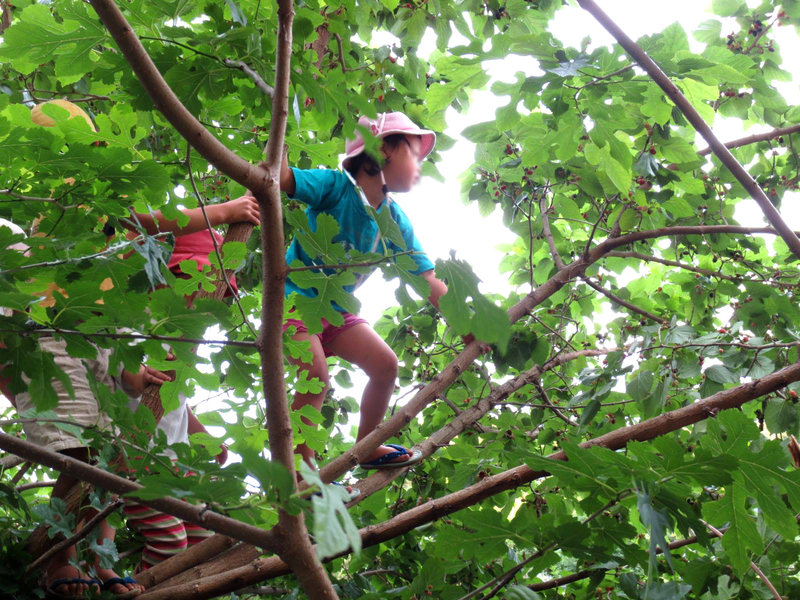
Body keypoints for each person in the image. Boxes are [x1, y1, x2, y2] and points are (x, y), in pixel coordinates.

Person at [280, 112, 449, 470]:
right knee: (315, 376)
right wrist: (277, 130)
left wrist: (471, 326)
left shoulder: (395, 220)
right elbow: (282, 179)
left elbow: (428, 280)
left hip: (337, 311)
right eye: (414, 155)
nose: (419, 166)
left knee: (385, 364)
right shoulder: (334, 187)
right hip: (294, 302)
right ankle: (300, 471)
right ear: (383, 148)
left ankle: (368, 445)